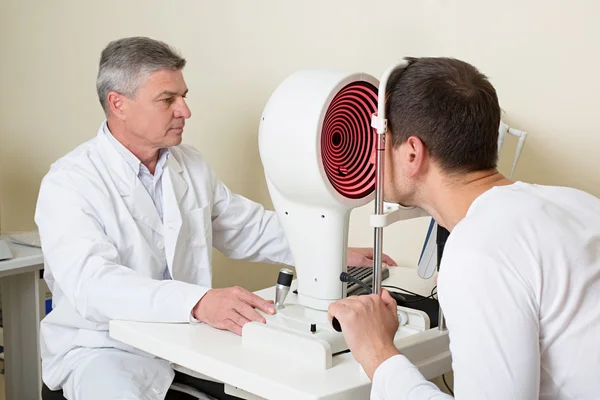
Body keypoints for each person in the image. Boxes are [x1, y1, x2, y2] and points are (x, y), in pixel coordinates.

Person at [34, 36, 397, 400]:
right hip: (102, 349)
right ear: (118, 104)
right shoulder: (70, 183)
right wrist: (199, 302)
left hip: (185, 342)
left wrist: (329, 251)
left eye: (184, 96)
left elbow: (246, 228)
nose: (185, 111)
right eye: (167, 100)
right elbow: (94, 285)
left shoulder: (187, 164)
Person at [328, 57, 600, 399]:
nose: (371, 157)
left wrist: (378, 354)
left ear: (412, 154)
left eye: (381, 140)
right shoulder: (577, 202)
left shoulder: (479, 250)